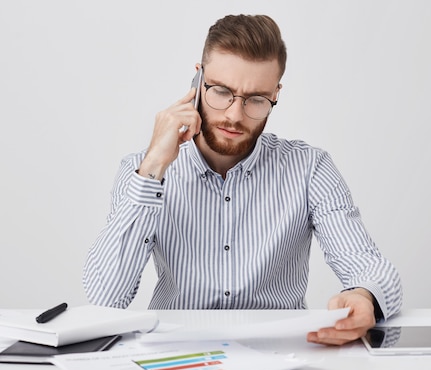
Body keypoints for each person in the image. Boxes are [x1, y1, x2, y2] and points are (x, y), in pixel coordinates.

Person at [83, 14, 402, 346]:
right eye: (221, 92)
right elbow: (106, 297)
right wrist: (154, 166)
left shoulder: (309, 168)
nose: (235, 115)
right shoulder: (142, 169)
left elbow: (369, 266)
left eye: (256, 100)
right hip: (179, 353)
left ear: (276, 94)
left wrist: (365, 298)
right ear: (197, 81)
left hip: (279, 357)